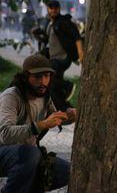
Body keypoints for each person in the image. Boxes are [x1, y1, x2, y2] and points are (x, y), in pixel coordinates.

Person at [0, 54, 76, 192]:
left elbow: (54, 118)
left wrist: (70, 116)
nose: (43, 82)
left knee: (67, 171)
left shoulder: (44, 96)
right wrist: (40, 125)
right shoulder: (11, 96)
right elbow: (5, 134)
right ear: (25, 77)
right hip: (6, 152)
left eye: (47, 76)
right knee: (31, 153)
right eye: (37, 77)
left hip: (27, 155)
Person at [32, 0, 84, 111]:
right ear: (48, 9)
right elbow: (47, 40)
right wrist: (36, 35)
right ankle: (63, 107)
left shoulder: (63, 22)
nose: (53, 10)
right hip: (54, 58)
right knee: (53, 86)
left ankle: (67, 86)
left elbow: (76, 36)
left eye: (55, 8)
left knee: (48, 79)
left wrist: (80, 53)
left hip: (62, 58)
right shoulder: (50, 24)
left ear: (59, 9)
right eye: (51, 8)